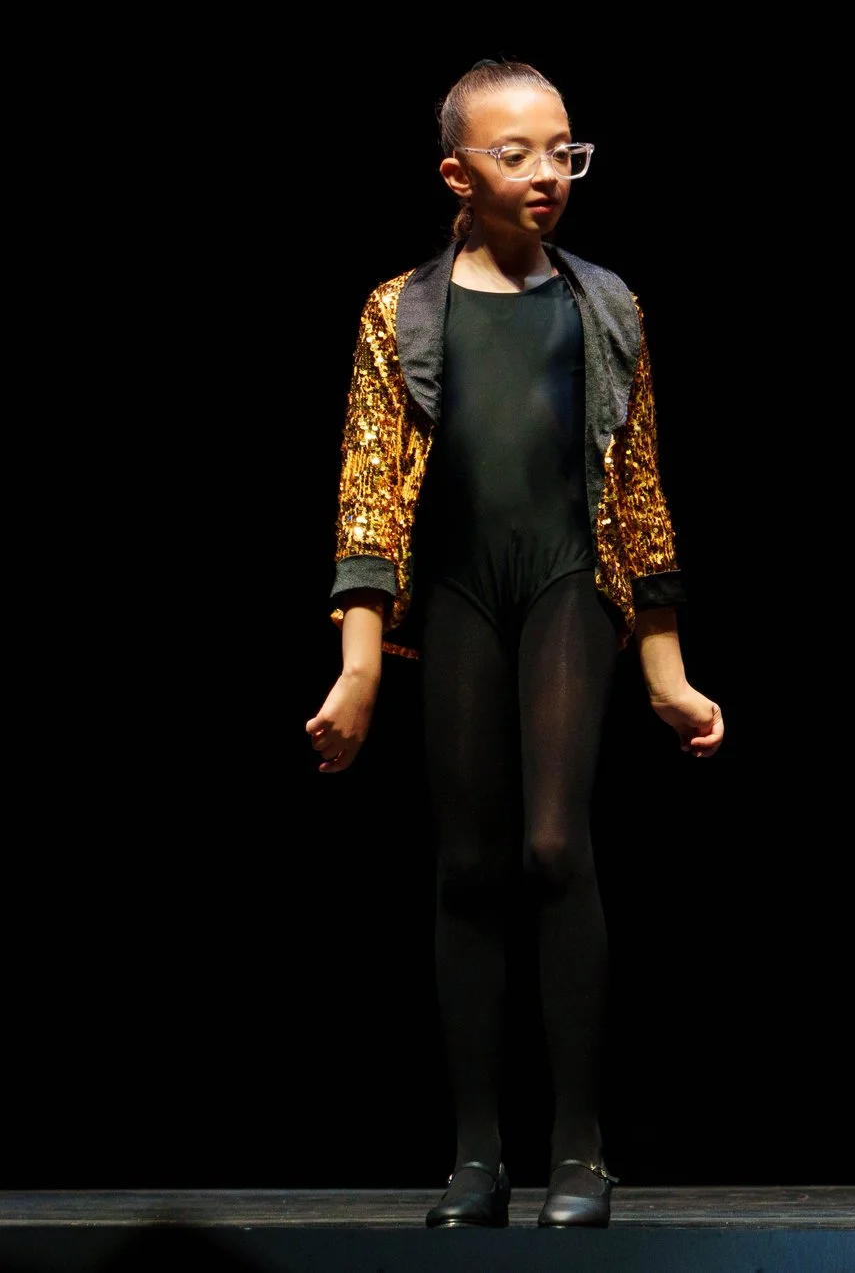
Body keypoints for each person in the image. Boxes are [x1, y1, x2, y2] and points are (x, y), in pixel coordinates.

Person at [305, 60, 725, 1229]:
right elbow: (369, 499)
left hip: (563, 587)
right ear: (457, 172)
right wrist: (355, 668)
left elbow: (637, 492)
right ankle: (479, 1153)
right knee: (472, 862)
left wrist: (666, 668)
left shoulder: (608, 303)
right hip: (455, 596)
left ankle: (581, 1148)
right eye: (516, 154)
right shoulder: (402, 310)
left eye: (563, 151)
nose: (546, 174)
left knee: (553, 842)